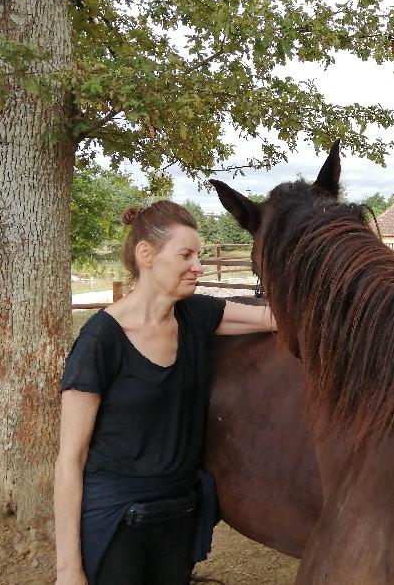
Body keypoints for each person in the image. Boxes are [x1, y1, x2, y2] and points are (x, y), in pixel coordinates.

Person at [54, 200, 276, 585]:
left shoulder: (196, 315)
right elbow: (70, 461)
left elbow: (275, 317)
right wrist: (68, 569)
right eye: (186, 255)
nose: (198, 266)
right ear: (147, 255)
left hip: (179, 513)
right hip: (117, 519)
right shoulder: (100, 342)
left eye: (200, 255)